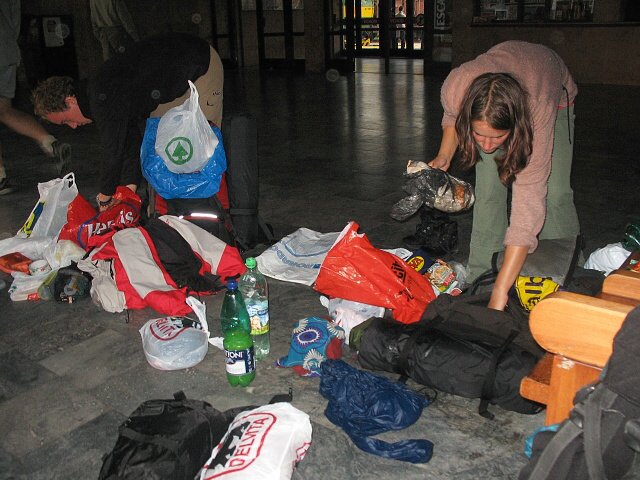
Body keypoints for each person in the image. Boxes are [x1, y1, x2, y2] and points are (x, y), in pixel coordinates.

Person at [428, 41, 580, 311]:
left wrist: (501, 293)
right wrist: (444, 156)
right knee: (488, 192)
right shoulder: (456, 87)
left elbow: (528, 203)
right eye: (478, 134)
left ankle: (562, 272)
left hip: (552, 94)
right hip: (504, 79)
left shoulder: (537, 111)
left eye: (497, 137)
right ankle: (480, 275)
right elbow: (453, 115)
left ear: (515, 128)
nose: (487, 146)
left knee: (554, 194)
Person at [31, 33, 223, 212]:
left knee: (201, 146)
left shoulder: (101, 94)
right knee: (160, 146)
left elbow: (112, 151)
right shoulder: (105, 97)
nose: (73, 126)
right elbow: (128, 142)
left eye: (66, 120)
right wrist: (128, 190)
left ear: (70, 101)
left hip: (199, 63)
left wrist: (105, 196)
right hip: (172, 78)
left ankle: (212, 211)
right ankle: (167, 211)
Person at [0, 0, 70, 195]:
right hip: (6, 51)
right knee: (4, 109)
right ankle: (50, 142)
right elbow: (14, 19)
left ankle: (0, 177)